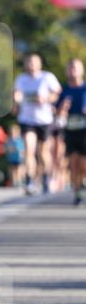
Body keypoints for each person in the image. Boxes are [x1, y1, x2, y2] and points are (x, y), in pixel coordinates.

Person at [13, 53, 61, 194]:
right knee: (29, 149)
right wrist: (16, 99)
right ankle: (29, 180)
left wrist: (46, 99)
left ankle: (45, 178)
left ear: (39, 64)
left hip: (44, 120)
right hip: (27, 120)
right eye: (29, 62)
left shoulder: (47, 77)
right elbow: (17, 94)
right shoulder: (21, 79)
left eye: (34, 62)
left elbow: (57, 93)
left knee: (43, 152)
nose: (31, 65)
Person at [56, 57, 86, 205]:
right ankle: (77, 190)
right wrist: (62, 109)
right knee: (73, 162)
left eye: (76, 67)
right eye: (70, 67)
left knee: (83, 163)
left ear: (82, 70)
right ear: (67, 71)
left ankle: (83, 181)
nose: (73, 70)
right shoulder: (64, 90)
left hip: (85, 131)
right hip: (70, 130)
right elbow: (56, 112)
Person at [5, 123, 25, 187]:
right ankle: (14, 181)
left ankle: (19, 180)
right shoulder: (9, 140)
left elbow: (21, 149)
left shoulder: (20, 139)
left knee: (19, 169)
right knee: (12, 169)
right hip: (12, 158)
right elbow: (7, 148)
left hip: (19, 158)